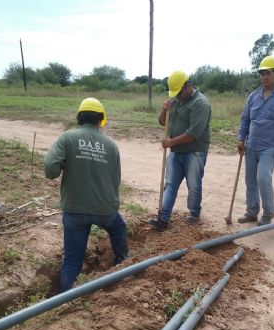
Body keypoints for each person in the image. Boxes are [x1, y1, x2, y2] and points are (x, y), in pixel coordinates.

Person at [44, 98, 128, 293]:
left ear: (79, 118)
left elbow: (50, 170)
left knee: (72, 262)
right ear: (100, 120)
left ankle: (65, 302)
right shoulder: (111, 145)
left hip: (75, 211)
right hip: (105, 209)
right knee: (118, 227)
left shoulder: (67, 138)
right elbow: (116, 179)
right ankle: (123, 264)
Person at [147, 69, 212, 231]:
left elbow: (194, 133)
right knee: (170, 184)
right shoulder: (175, 101)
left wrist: (170, 142)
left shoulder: (201, 104)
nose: (175, 95)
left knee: (194, 185)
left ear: (186, 85)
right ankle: (163, 219)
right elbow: (163, 122)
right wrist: (164, 109)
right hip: (176, 151)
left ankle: (194, 213)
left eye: (178, 92)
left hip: (195, 151)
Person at [236, 55, 274, 225]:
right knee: (250, 181)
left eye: (268, 73)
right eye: (261, 74)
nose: (264, 77)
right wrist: (241, 139)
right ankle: (252, 212)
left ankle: (268, 213)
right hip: (251, 146)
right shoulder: (253, 96)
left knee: (263, 178)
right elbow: (246, 119)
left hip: (269, 147)